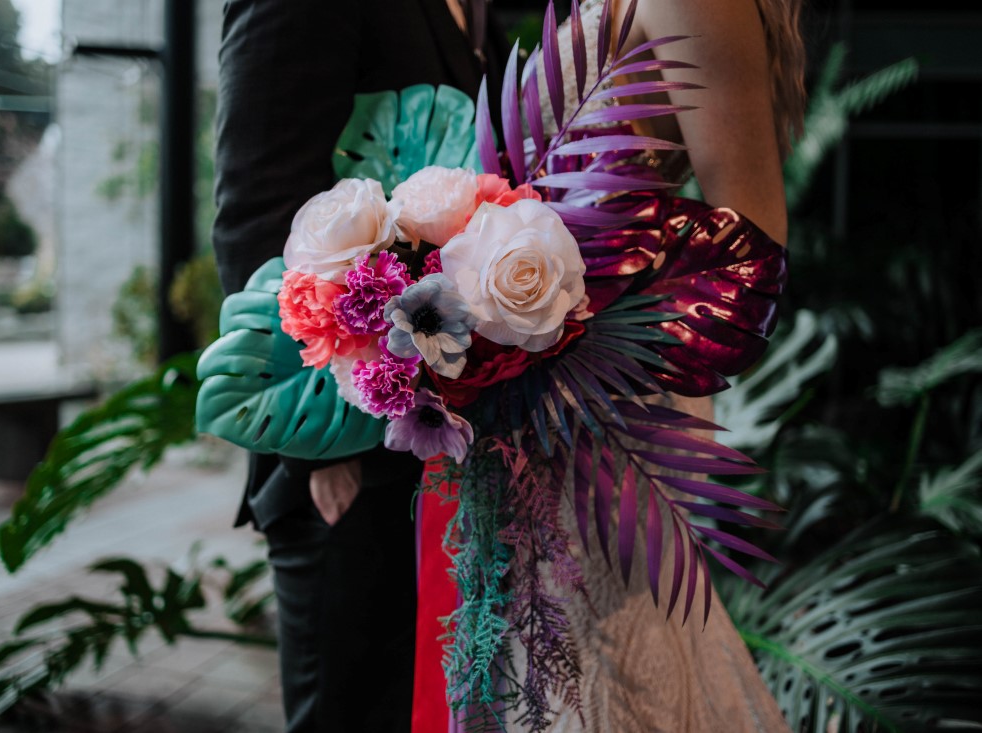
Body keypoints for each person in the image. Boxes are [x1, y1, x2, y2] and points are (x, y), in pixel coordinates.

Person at [509, 0, 805, 729]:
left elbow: (753, 243)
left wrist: (590, 343)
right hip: (549, 403)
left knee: (612, 680)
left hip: (605, 414)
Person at [211, 2, 506, 731]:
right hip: (346, 467)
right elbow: (255, 210)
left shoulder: (481, 17)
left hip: (454, 457)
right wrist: (319, 440)